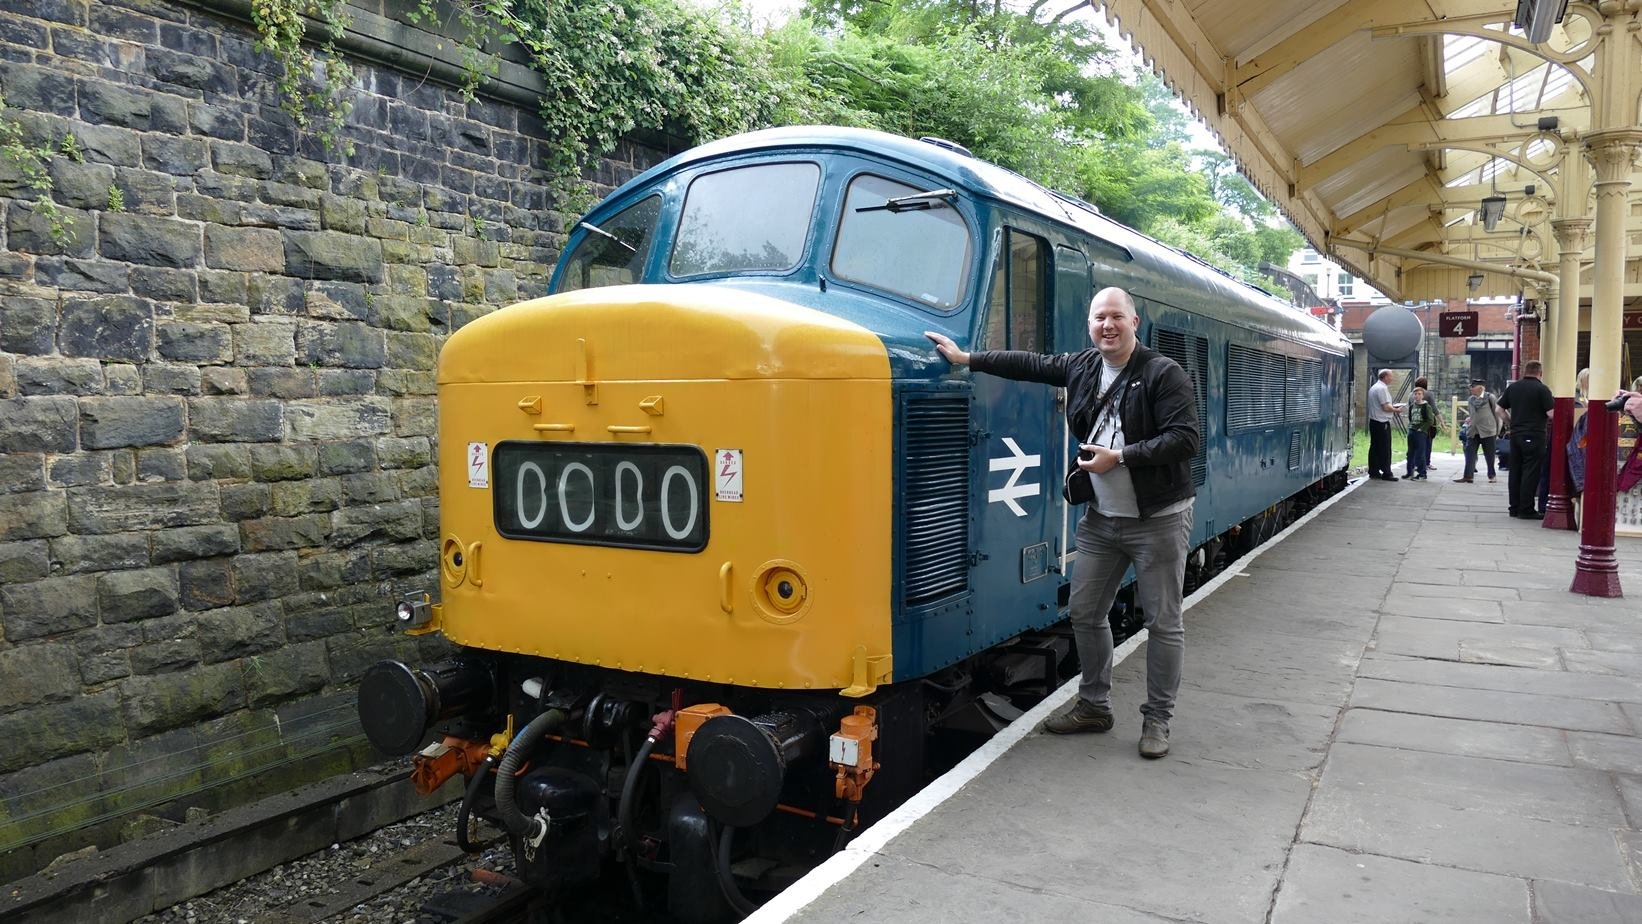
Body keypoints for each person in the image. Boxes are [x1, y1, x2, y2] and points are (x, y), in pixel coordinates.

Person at [925, 287, 1199, 760]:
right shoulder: (1083, 367)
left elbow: (1185, 438)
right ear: (1090, 325)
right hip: (1102, 520)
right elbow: (1028, 364)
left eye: (1117, 317)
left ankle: (1157, 719)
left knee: (1163, 622)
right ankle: (1095, 705)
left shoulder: (1162, 374)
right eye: (1099, 318)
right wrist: (966, 358)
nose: (1107, 325)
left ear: (1135, 322)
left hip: (1157, 520)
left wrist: (1123, 456)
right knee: (1085, 612)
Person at [1499, 360, 1555, 519]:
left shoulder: (1513, 387)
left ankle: (1514, 508)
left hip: (1516, 435)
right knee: (1530, 472)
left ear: (1525, 371)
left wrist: (1510, 422)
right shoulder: (1542, 389)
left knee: (1515, 471)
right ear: (1540, 373)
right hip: (1534, 435)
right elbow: (1552, 414)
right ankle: (1526, 509)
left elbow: (1499, 409)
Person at [1455, 379, 1502, 483]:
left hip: (1488, 431)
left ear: (1480, 388)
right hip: (1473, 431)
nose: (1470, 389)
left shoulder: (1490, 398)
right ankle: (1468, 476)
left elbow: (1497, 415)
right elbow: (1472, 414)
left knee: (1489, 455)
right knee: (1470, 454)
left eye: (1473, 387)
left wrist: (1497, 431)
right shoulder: (1471, 399)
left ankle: (1492, 475)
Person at [1366, 369, 1405, 481]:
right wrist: (1396, 410)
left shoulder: (1373, 388)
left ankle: (1373, 471)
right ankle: (1387, 473)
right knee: (1385, 448)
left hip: (1373, 421)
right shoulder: (1382, 388)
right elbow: (1386, 407)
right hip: (1382, 422)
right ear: (1385, 377)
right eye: (1391, 376)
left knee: (1374, 447)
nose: (1392, 379)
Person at [1405, 376, 1441, 477]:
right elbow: (1434, 409)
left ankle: (1415, 468)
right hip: (1423, 427)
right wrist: (1441, 421)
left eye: (1418, 394)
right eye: (1416, 394)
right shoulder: (1428, 394)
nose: (1416, 395)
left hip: (1414, 427)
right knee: (1425, 446)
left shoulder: (1410, 395)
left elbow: (1410, 414)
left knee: (1413, 449)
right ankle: (1425, 465)